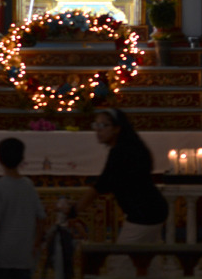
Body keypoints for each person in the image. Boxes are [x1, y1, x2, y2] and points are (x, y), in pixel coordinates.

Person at [65, 108, 168, 278]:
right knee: (146, 261)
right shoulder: (130, 146)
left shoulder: (122, 151)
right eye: (96, 125)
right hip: (152, 210)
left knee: (121, 263)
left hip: (142, 214)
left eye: (103, 125)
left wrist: (75, 209)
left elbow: (101, 185)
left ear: (117, 128)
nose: (98, 129)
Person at [0, 137, 46, 279]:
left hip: (0, 257)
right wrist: (36, 244)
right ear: (22, 159)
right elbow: (41, 218)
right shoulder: (28, 185)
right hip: (23, 257)